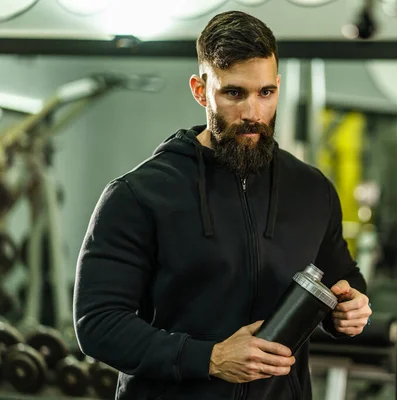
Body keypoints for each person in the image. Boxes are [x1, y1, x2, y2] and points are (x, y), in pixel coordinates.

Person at [73, 10, 371, 400]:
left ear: (278, 86)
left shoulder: (310, 189)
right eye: (234, 93)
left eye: (266, 93)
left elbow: (342, 277)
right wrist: (209, 358)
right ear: (200, 90)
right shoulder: (138, 194)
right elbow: (98, 324)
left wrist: (350, 308)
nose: (252, 113)